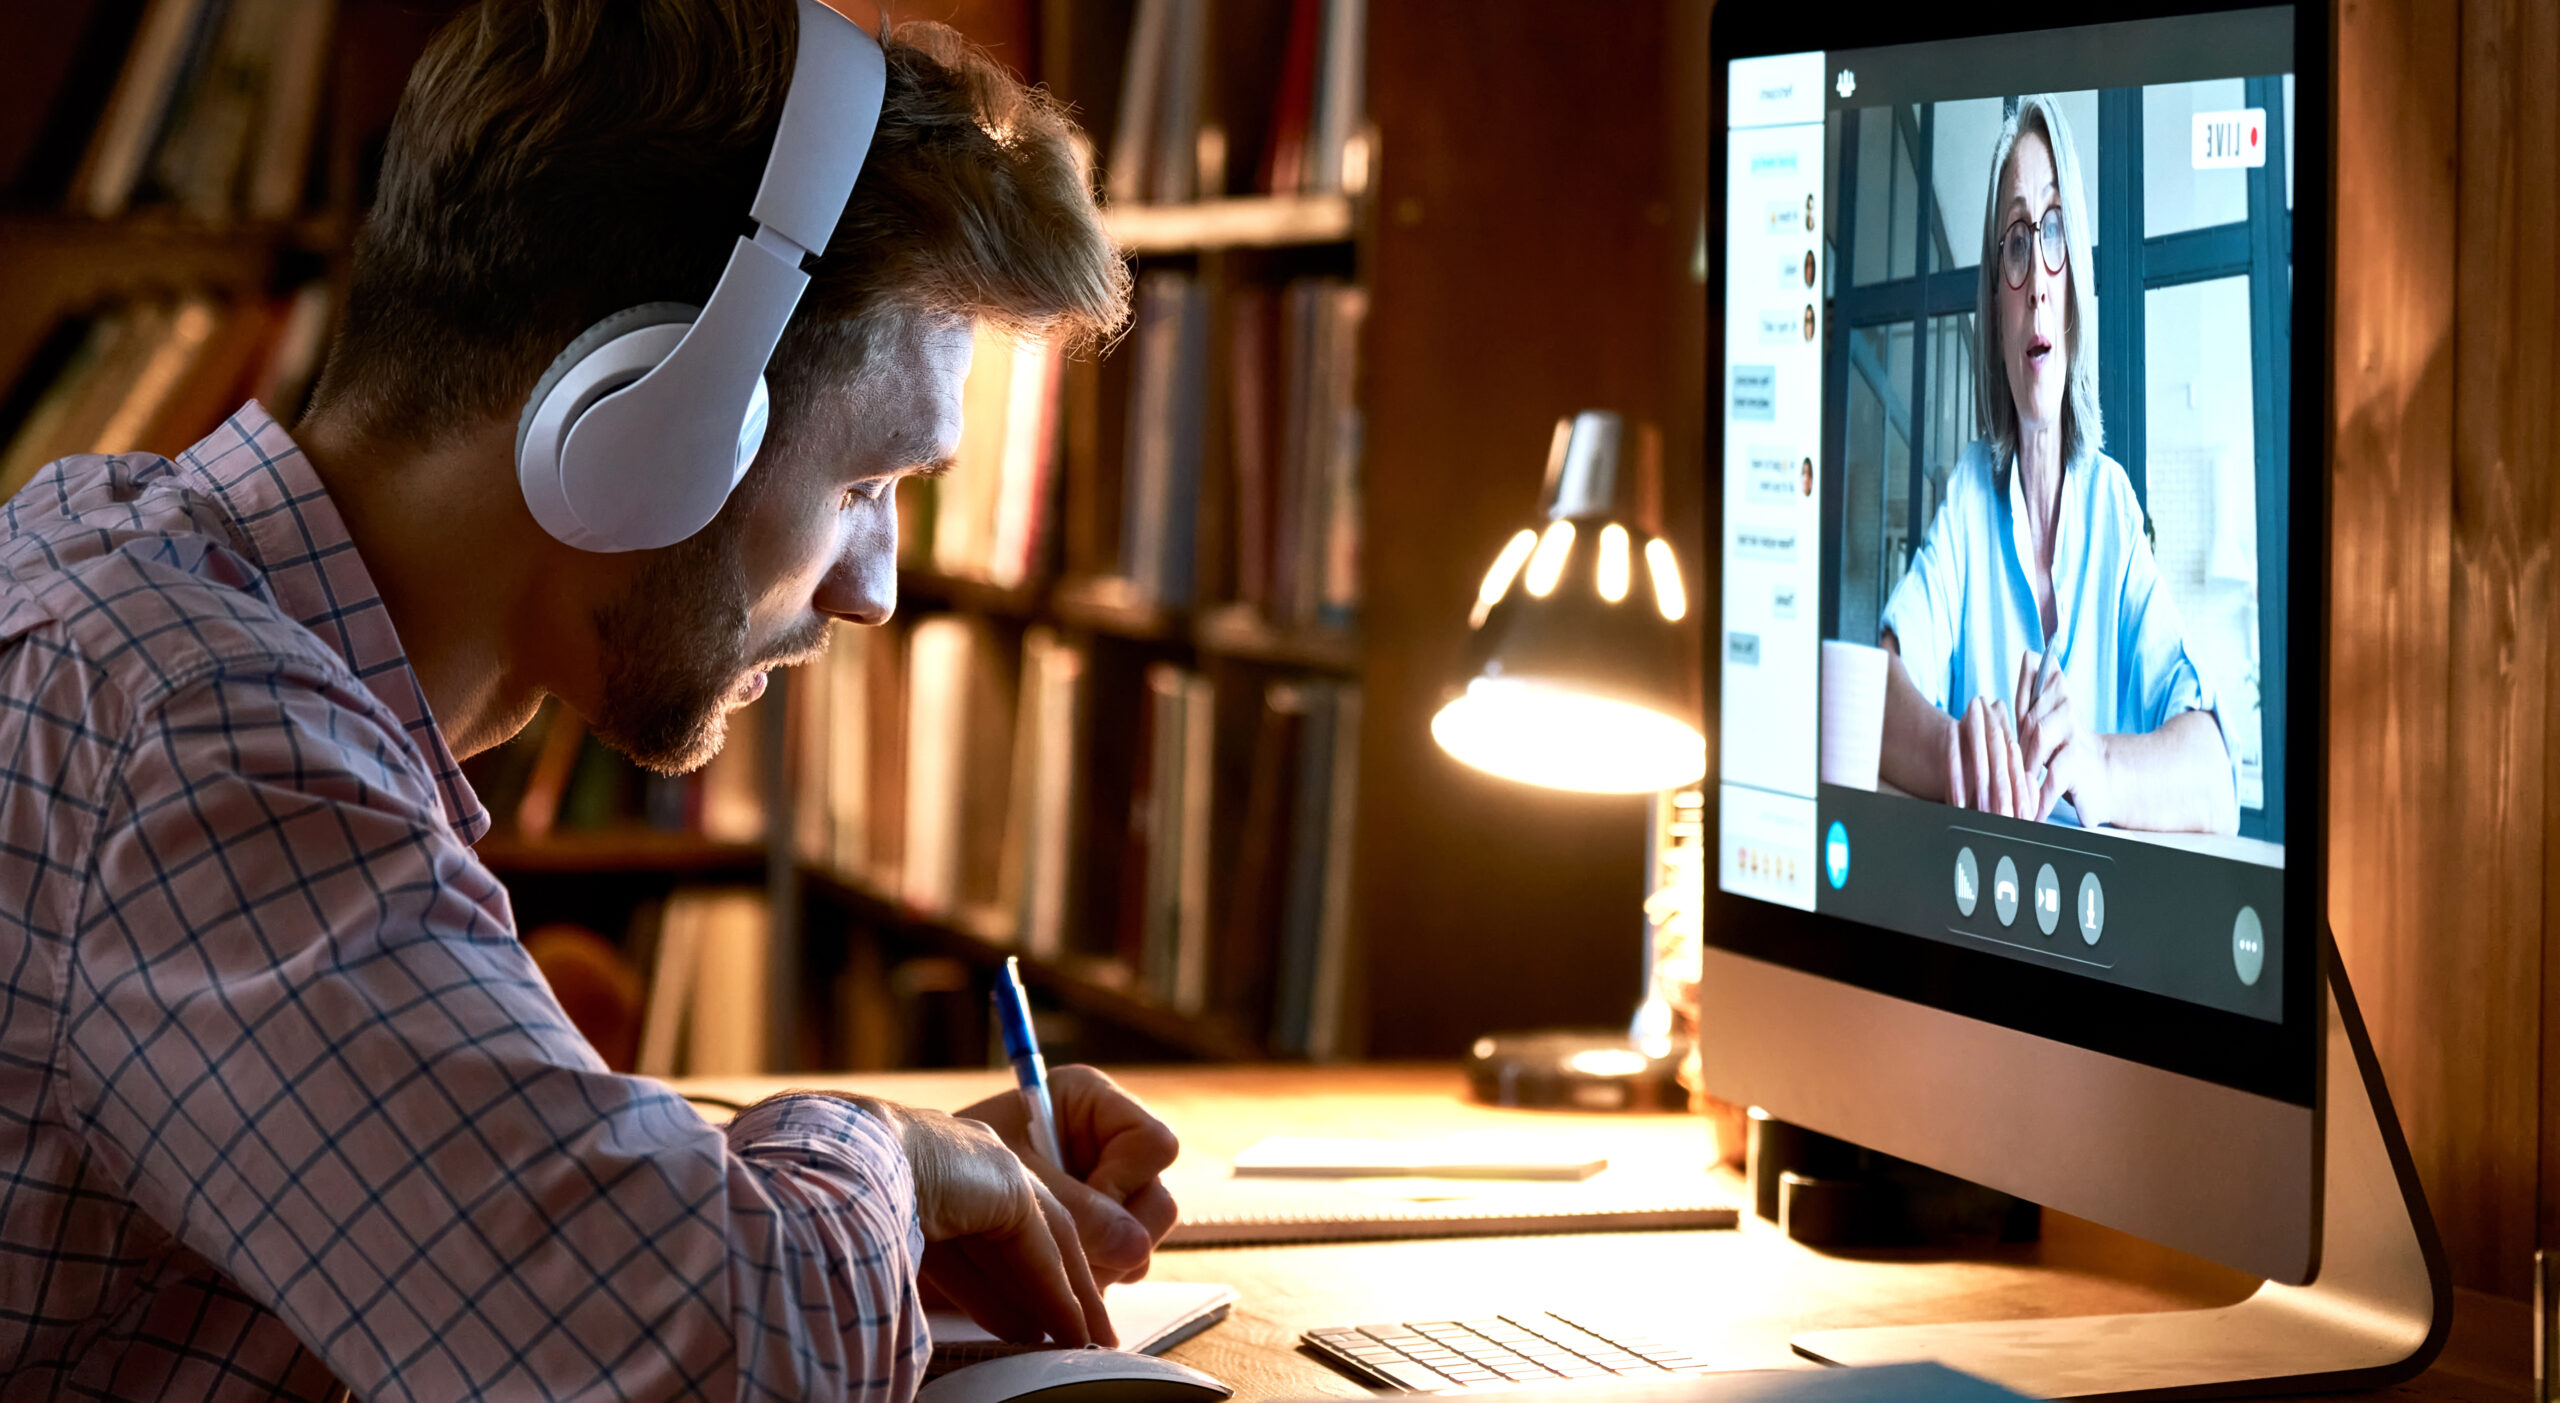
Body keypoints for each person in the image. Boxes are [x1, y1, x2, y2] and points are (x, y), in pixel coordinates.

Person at [0, 3, 1169, 1397]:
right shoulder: (204, 736)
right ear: (645, 427)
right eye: (865, 485)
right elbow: (709, 1364)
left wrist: (804, 1190)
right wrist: (881, 1156)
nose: (875, 591)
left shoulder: (116, 565)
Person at [1873, 96, 2235, 834]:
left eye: (2055, 232)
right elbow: (1874, 693)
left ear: (2074, 294)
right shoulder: (1970, 494)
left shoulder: (2114, 505)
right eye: (2014, 242)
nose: (2036, 278)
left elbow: (2216, 782)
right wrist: (1962, 755)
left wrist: (2095, 763)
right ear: (1997, 310)